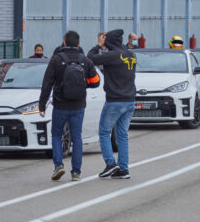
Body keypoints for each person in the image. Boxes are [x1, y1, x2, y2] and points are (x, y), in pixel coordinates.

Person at [39, 31, 100, 182]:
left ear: (64, 42)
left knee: (56, 135)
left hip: (60, 104)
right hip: (78, 105)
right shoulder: (85, 60)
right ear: (78, 44)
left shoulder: (56, 59)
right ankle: (76, 172)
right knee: (77, 137)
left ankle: (58, 165)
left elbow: (47, 84)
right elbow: (96, 81)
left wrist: (42, 105)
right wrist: (83, 84)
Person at [87, 29, 137, 180]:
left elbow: (90, 58)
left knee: (104, 132)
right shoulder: (131, 54)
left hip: (115, 100)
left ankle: (110, 164)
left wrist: (98, 45)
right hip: (130, 100)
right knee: (122, 135)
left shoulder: (113, 55)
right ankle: (123, 169)